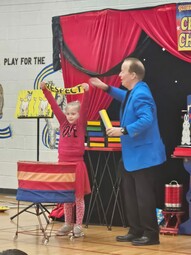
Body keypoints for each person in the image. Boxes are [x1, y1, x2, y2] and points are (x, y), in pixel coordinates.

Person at [89, 57, 166, 246]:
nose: (119, 75)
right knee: (130, 195)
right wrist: (105, 88)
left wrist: (123, 130)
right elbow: (124, 97)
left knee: (144, 198)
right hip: (132, 156)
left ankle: (151, 235)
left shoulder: (141, 94)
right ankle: (136, 230)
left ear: (133, 74)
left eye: (123, 71)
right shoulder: (134, 92)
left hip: (144, 157)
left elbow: (146, 119)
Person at [40, 82, 91, 237]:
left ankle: (78, 225)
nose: (70, 116)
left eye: (73, 114)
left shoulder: (81, 124)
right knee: (67, 197)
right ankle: (68, 223)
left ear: (78, 115)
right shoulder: (62, 122)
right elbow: (54, 106)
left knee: (78, 196)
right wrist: (45, 90)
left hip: (77, 164)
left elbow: (85, 107)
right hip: (64, 164)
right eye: (68, 113)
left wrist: (86, 92)